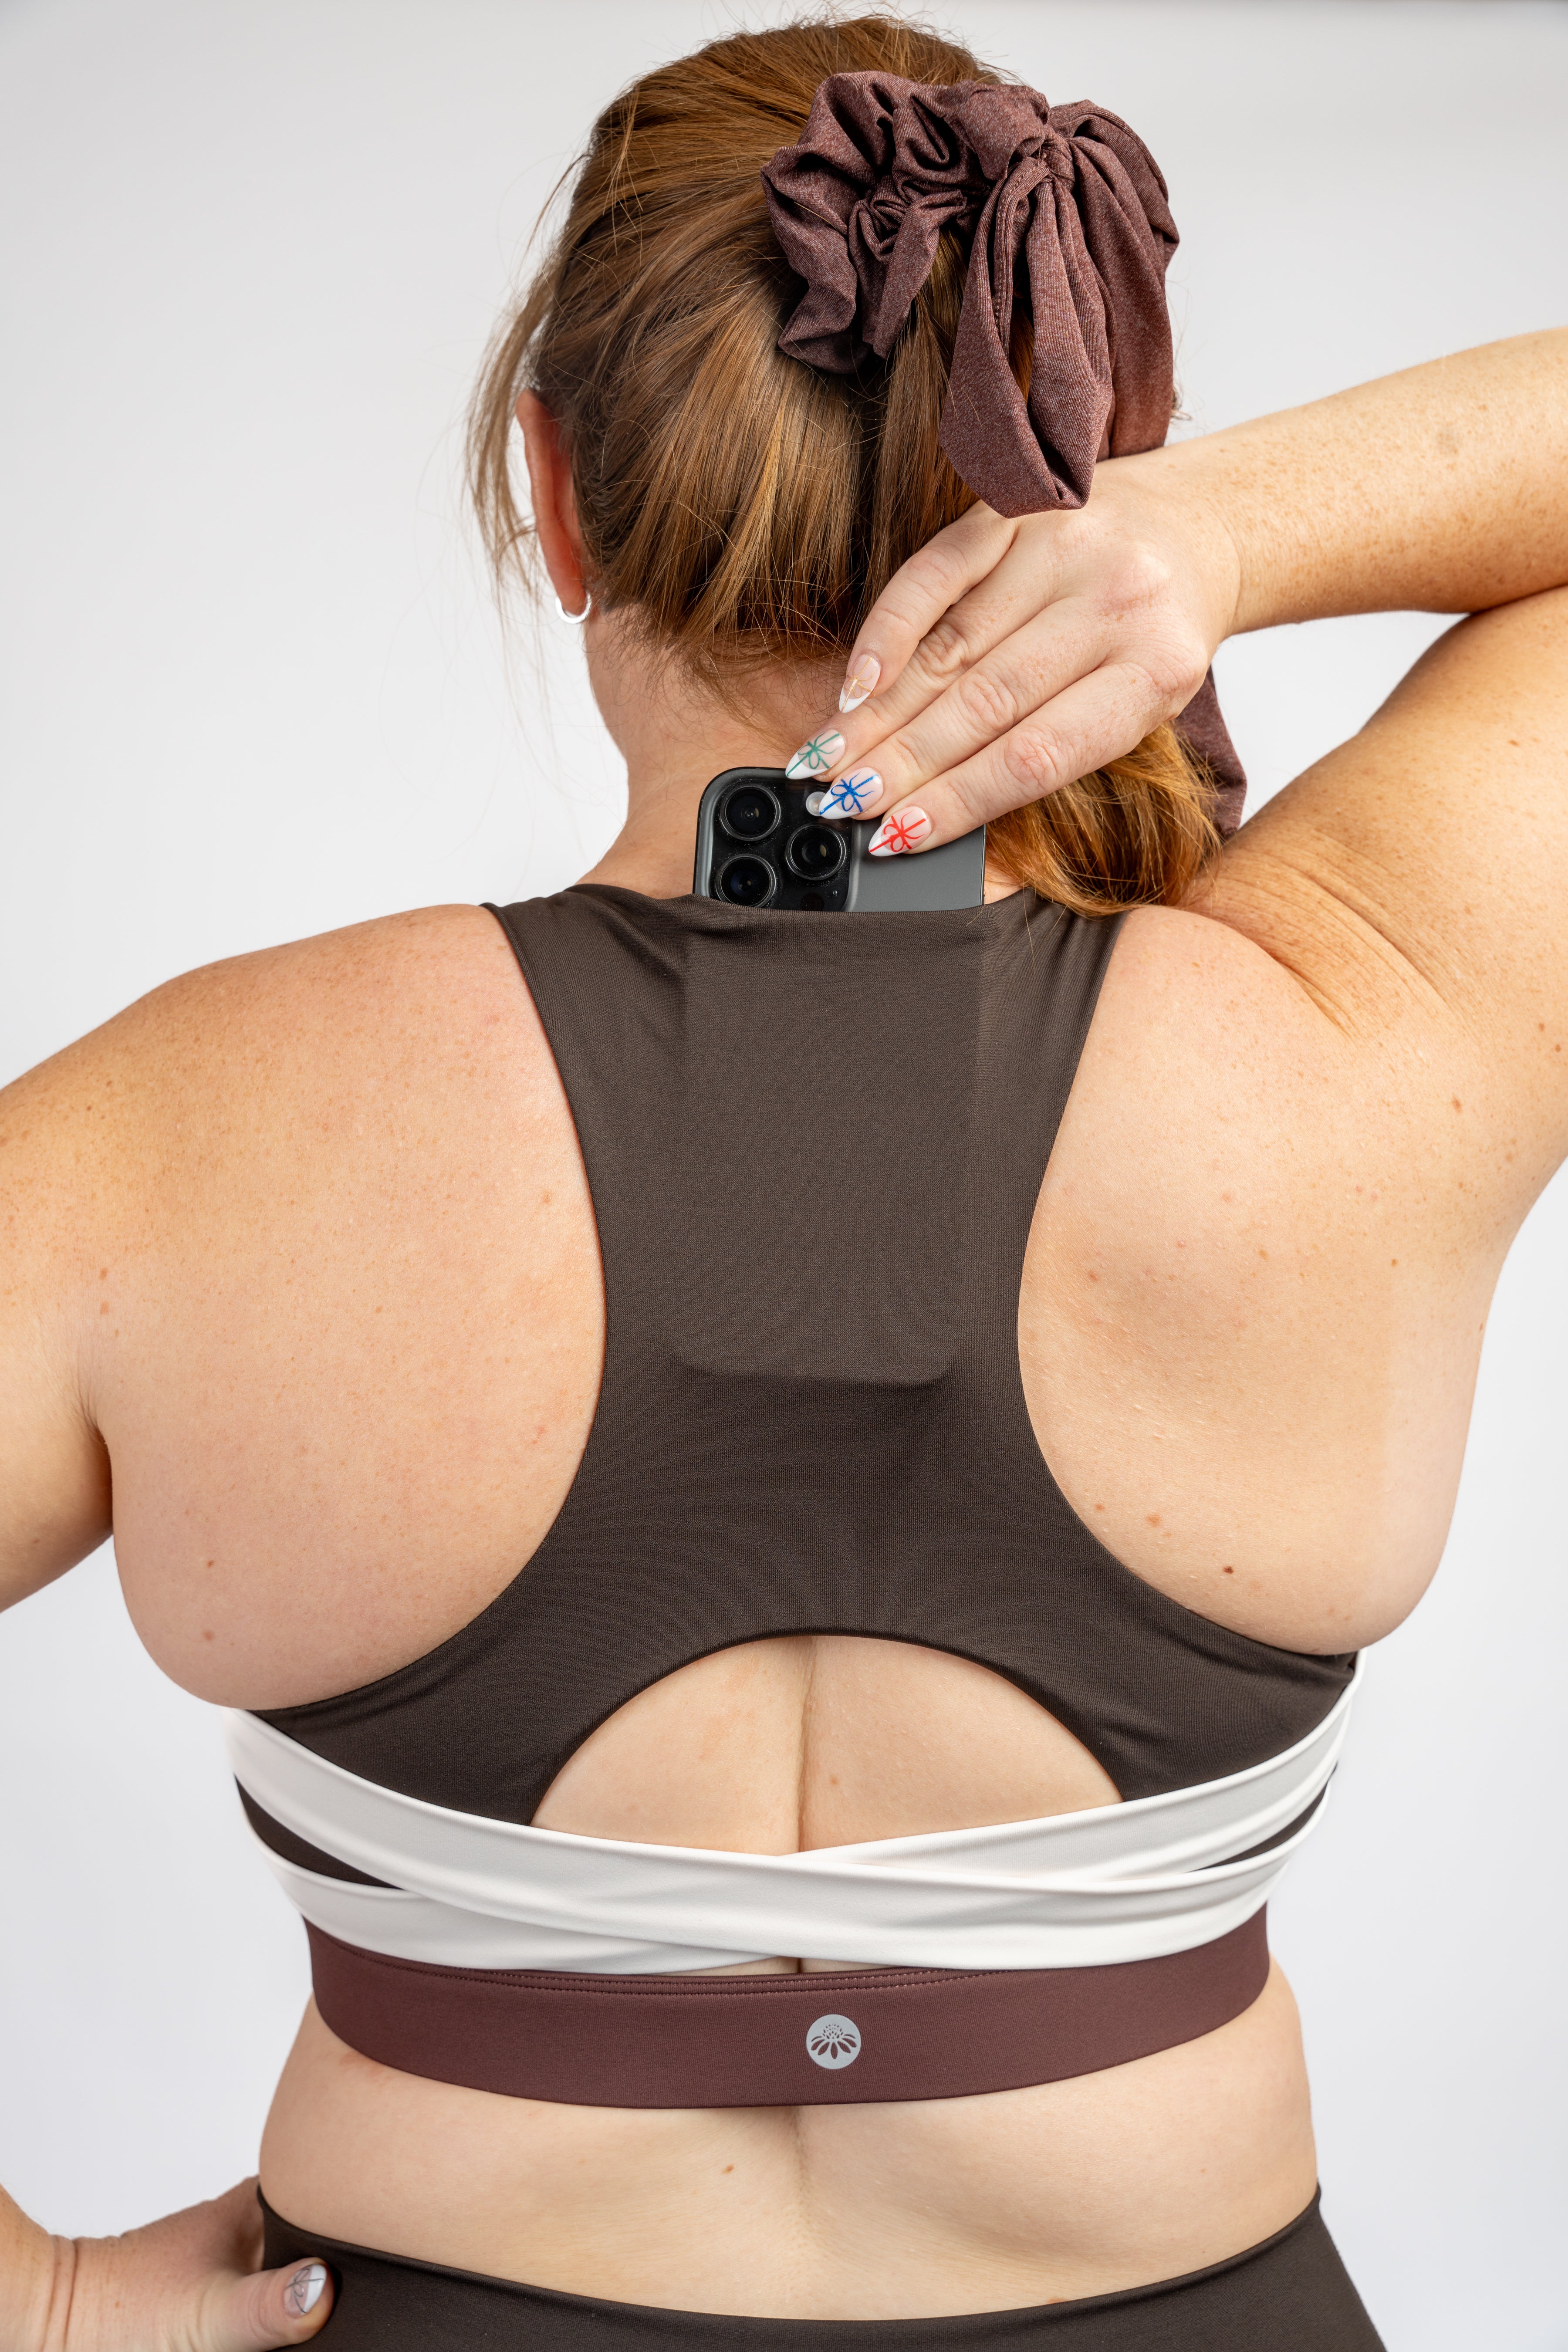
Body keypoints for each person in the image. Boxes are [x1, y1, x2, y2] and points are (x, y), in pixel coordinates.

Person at [2, 11, 1565, 2349]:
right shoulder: (1358, 1031)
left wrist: (36, 2302)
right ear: (1079, 467)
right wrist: (1224, 530)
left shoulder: (186, 1131)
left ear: (557, 497)